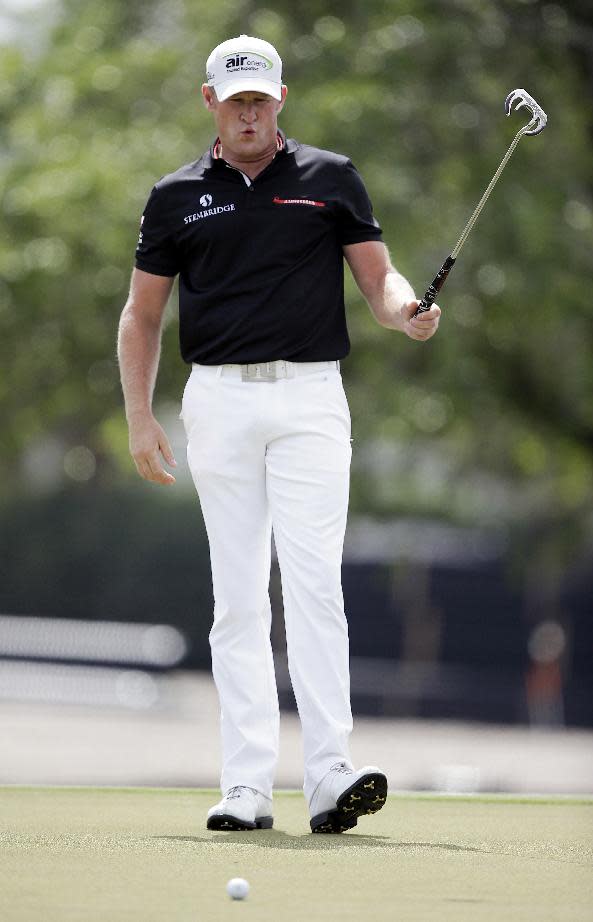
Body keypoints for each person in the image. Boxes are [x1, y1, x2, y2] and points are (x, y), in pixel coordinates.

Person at [117, 34, 441, 834]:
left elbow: (377, 278)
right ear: (210, 104)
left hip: (309, 399)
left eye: (261, 99)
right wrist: (138, 415)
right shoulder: (176, 195)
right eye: (236, 101)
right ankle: (246, 787)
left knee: (313, 586)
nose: (249, 112)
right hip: (219, 402)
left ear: (280, 100)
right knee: (236, 600)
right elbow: (143, 314)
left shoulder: (330, 178)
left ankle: (331, 776)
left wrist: (405, 311)